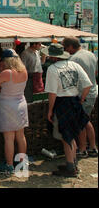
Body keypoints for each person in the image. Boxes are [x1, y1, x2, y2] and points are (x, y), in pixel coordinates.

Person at [43, 43, 91, 177]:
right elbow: (87, 85)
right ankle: (72, 163)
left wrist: (50, 110)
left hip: (62, 102)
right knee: (72, 134)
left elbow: (52, 93)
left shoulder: (52, 69)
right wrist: (81, 99)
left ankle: (71, 168)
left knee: (66, 136)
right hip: (74, 101)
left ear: (53, 56)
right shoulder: (74, 65)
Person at [0, 49, 29, 175]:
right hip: (21, 104)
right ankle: (22, 162)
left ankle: (9, 165)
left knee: (9, 138)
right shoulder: (24, 71)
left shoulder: (7, 73)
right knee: (21, 136)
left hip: (8, 106)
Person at [62, 36, 98, 158]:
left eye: (65, 48)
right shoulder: (91, 55)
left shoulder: (74, 59)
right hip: (92, 91)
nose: (65, 50)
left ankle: (82, 149)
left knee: (80, 122)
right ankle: (93, 147)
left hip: (82, 94)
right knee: (86, 120)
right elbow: (95, 72)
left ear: (71, 47)